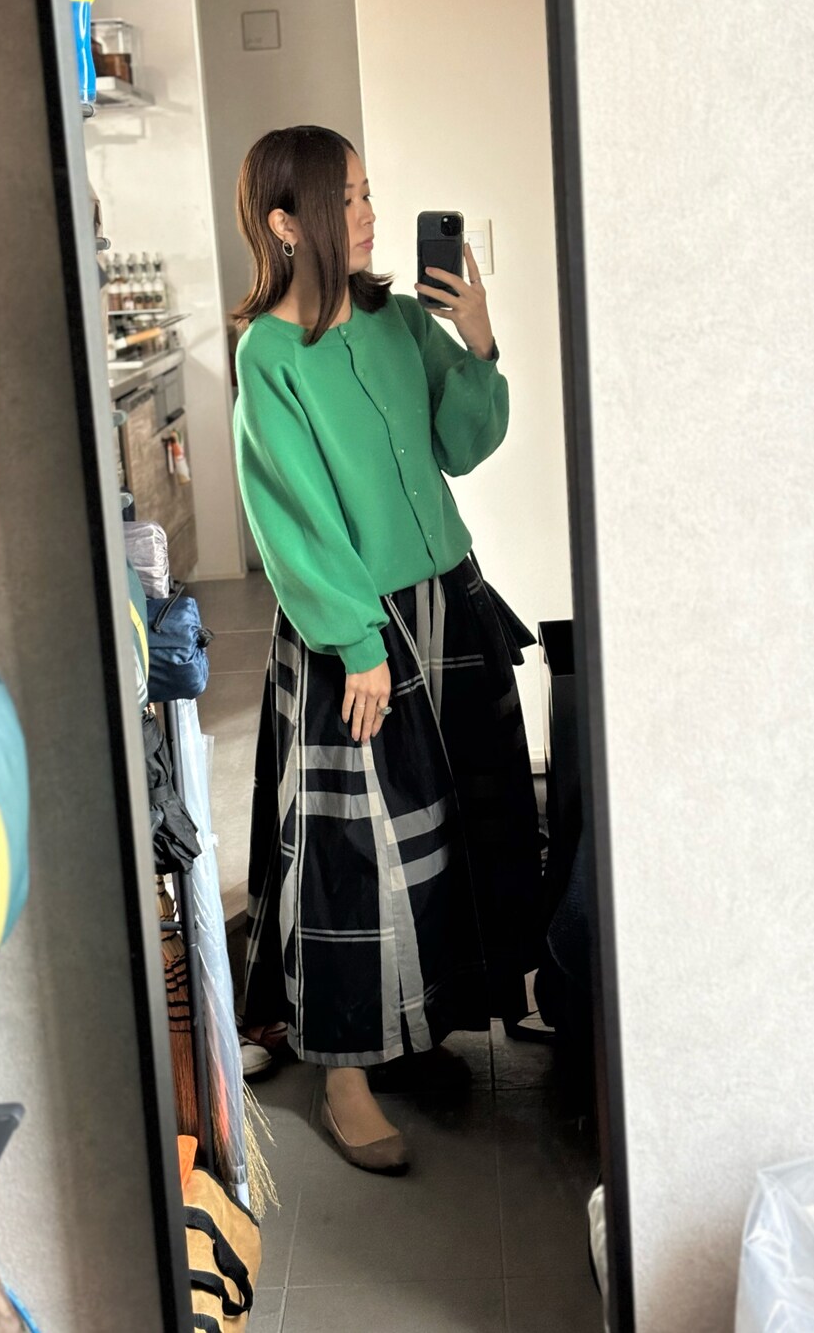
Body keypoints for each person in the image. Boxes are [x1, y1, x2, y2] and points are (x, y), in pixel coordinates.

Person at [232, 125, 542, 1173]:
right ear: (288, 223)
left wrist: (479, 341)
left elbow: (463, 442)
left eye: (369, 194)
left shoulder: (401, 319)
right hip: (354, 630)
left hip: (448, 600)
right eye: (349, 199)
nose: (368, 216)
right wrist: (356, 640)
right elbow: (293, 517)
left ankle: (416, 1024)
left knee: (459, 830)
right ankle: (344, 1073)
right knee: (354, 857)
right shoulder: (268, 356)